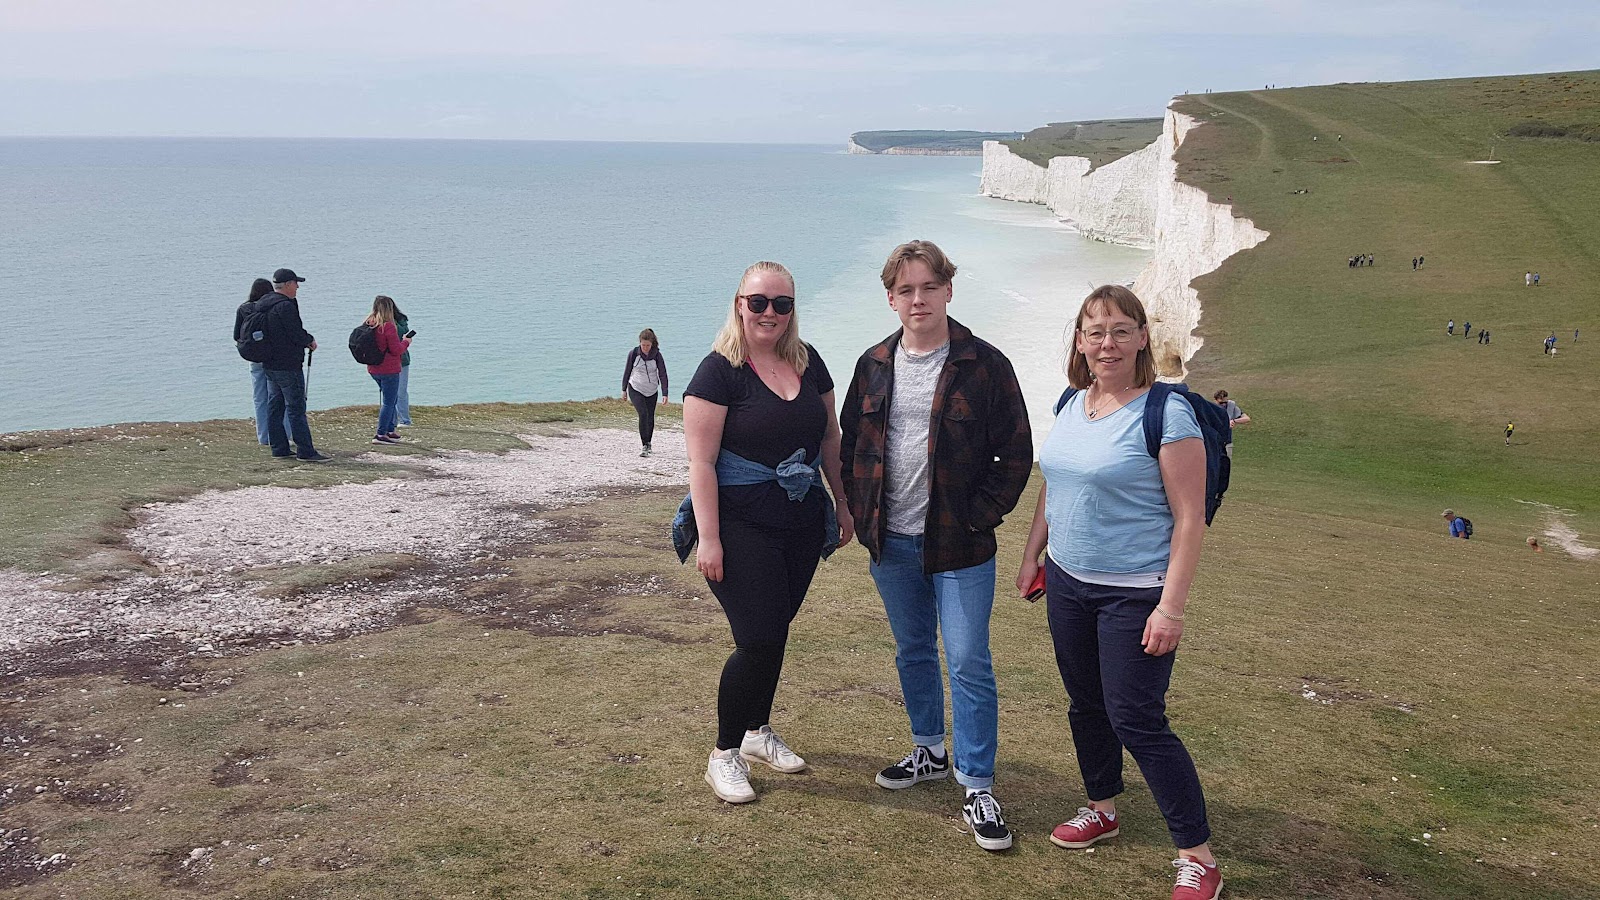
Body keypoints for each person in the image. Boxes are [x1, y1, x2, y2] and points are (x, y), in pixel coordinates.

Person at [1017, 285, 1223, 900]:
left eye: (1120, 330)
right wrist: (1032, 553)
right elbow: (1055, 484)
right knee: (1086, 704)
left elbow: (1190, 518)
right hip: (1068, 582)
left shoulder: (1166, 412)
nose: (1107, 343)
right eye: (1095, 332)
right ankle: (1101, 808)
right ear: (1081, 342)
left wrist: (1171, 608)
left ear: (1141, 339)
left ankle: (1198, 856)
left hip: (1135, 591)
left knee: (1137, 717)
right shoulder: (1071, 401)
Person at [839, 240, 1033, 852]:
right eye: (906, 290)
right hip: (891, 541)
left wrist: (981, 517)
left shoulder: (985, 364)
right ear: (891, 299)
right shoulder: (873, 364)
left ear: (948, 290)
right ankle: (928, 749)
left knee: (969, 659)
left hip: (961, 545)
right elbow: (850, 446)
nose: (917, 299)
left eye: (928, 287)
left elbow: (1016, 453)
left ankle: (977, 784)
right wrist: (861, 515)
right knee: (914, 650)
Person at [681, 261, 853, 805]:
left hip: (800, 522)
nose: (769, 313)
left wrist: (842, 503)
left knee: (775, 630)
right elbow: (702, 464)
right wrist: (709, 538)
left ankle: (757, 731)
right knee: (757, 637)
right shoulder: (718, 372)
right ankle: (724, 754)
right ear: (739, 305)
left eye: (782, 303)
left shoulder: (808, 360)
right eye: (758, 302)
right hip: (739, 524)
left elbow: (830, 438)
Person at [257, 268, 331, 462]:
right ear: (288, 284)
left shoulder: (263, 303)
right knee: (296, 408)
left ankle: (279, 448)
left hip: (270, 364)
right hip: (288, 365)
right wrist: (309, 340)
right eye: (296, 283)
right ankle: (305, 451)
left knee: (275, 406)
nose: (298, 287)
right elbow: (295, 333)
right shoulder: (285, 306)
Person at [235, 277, 290, 445]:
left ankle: (263, 436)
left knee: (259, 397)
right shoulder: (271, 307)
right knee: (278, 397)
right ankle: (284, 434)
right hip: (272, 357)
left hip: (254, 357)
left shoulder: (243, 309)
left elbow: (237, 335)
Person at [364, 295, 413, 445]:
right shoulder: (388, 326)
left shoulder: (369, 323)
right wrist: (406, 342)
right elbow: (396, 349)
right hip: (389, 369)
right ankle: (381, 434)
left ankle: (390, 430)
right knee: (389, 402)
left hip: (374, 368)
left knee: (391, 399)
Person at [622, 328, 669, 457]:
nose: (645, 348)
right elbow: (627, 371)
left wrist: (665, 393)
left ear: (652, 344)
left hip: (652, 390)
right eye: (643, 345)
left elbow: (663, 374)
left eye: (648, 345)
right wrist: (624, 389)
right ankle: (644, 445)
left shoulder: (657, 355)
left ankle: (649, 443)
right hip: (635, 387)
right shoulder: (634, 354)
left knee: (650, 416)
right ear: (640, 343)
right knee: (643, 414)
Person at [394, 307, 414, 427]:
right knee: (391, 392)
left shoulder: (400, 321)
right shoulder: (377, 321)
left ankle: (404, 420)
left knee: (401, 391)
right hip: (387, 361)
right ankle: (394, 419)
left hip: (402, 360)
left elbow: (401, 332)